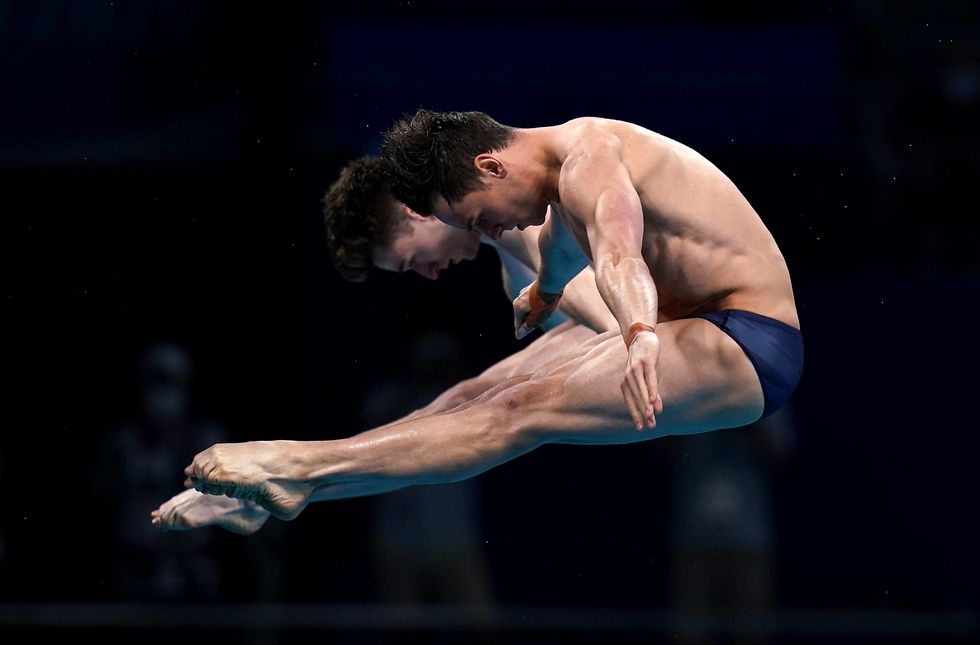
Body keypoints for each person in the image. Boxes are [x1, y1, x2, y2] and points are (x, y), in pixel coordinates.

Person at [161, 111, 802, 527]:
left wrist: (636, 335)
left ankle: (300, 469)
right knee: (479, 399)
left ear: (489, 168)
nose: (484, 232)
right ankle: (280, 495)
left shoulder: (589, 160)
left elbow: (618, 253)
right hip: (685, 326)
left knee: (513, 408)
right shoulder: (535, 213)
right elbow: (558, 269)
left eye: (470, 219)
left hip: (743, 338)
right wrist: (547, 297)